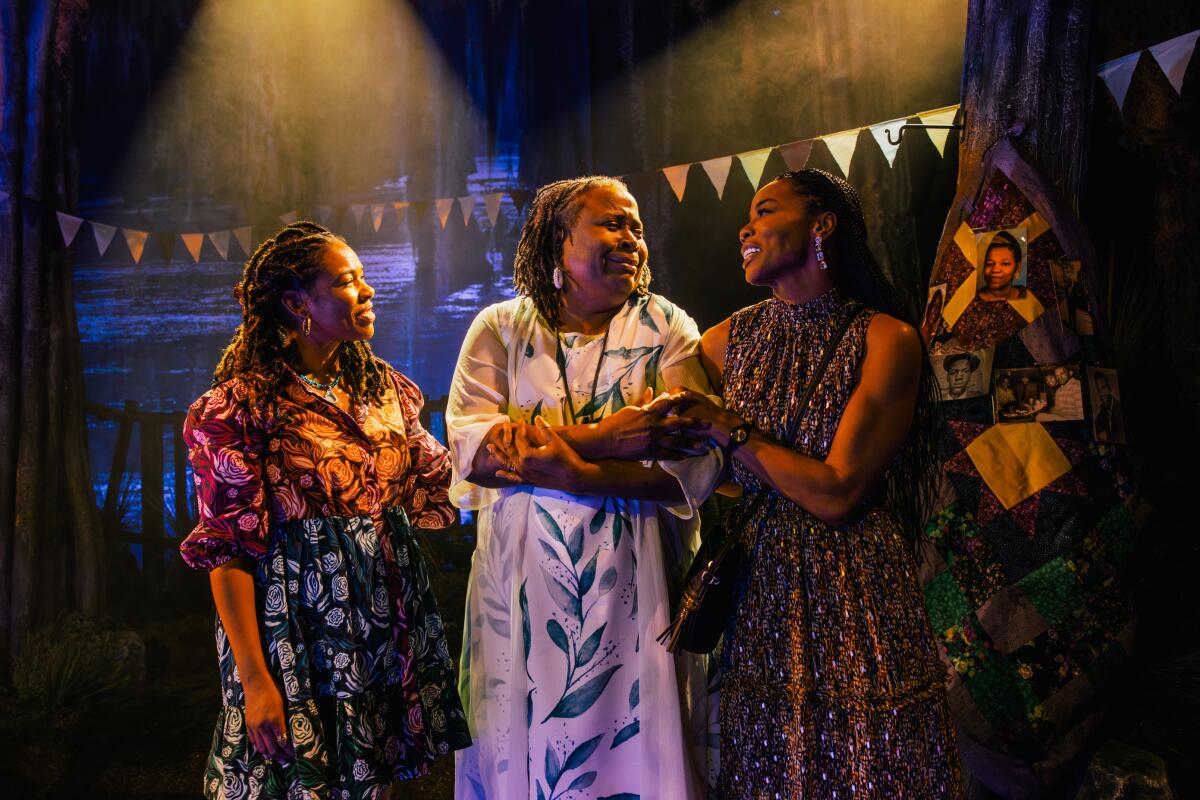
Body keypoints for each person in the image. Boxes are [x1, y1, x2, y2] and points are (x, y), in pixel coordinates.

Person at [674, 169, 962, 797]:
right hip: (763, 589)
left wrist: (733, 431)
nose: (745, 228)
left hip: (853, 586)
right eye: (746, 216)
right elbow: (712, 473)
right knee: (773, 763)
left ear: (823, 225)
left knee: (865, 762)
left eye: (767, 210)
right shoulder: (725, 342)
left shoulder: (887, 340)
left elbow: (837, 494)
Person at [446, 176, 721, 799]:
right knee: (527, 745)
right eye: (612, 224)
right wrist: (611, 438)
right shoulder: (499, 329)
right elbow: (477, 453)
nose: (631, 239)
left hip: (639, 591)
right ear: (557, 245)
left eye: (637, 228)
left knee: (638, 747)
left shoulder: (665, 328)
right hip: (523, 590)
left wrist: (569, 471)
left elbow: (690, 460)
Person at [180, 222, 469, 799]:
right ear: (296, 303)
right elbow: (228, 550)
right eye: (347, 281)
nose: (367, 291)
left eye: (363, 278)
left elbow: (444, 477)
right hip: (298, 626)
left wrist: (533, 450)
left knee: (376, 777)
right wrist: (255, 679)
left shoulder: (383, 388)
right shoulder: (239, 409)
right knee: (295, 780)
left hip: (384, 617)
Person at [978, 230, 1026, 302]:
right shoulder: (971, 299)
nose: (995, 270)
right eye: (990, 264)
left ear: (1017, 268)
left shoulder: (1025, 294)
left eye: (1005, 264)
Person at [1092, 371, 1124, 442]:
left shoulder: (1119, 407)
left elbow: (1121, 437)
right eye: (1099, 389)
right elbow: (1097, 425)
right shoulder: (1103, 409)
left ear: (1109, 388)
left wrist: (1108, 436)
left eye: (1104, 387)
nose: (1101, 393)